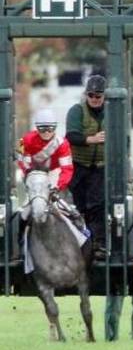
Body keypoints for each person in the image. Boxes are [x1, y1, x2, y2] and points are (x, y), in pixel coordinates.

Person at [15, 107, 88, 253]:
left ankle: (82, 234)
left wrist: (57, 187)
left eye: (50, 129)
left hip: (54, 174)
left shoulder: (63, 143)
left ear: (55, 128)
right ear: (37, 128)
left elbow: (66, 168)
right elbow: (20, 157)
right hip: (34, 175)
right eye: (43, 129)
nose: (47, 132)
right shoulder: (25, 140)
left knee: (68, 209)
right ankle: (20, 241)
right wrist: (28, 172)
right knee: (24, 212)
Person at [65, 74, 107, 258]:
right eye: (91, 95)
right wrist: (92, 139)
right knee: (79, 206)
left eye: (98, 95)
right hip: (79, 166)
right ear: (86, 95)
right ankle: (77, 242)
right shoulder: (76, 111)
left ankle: (98, 244)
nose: (95, 99)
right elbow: (71, 136)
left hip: (100, 167)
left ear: (104, 96)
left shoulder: (113, 112)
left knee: (97, 206)